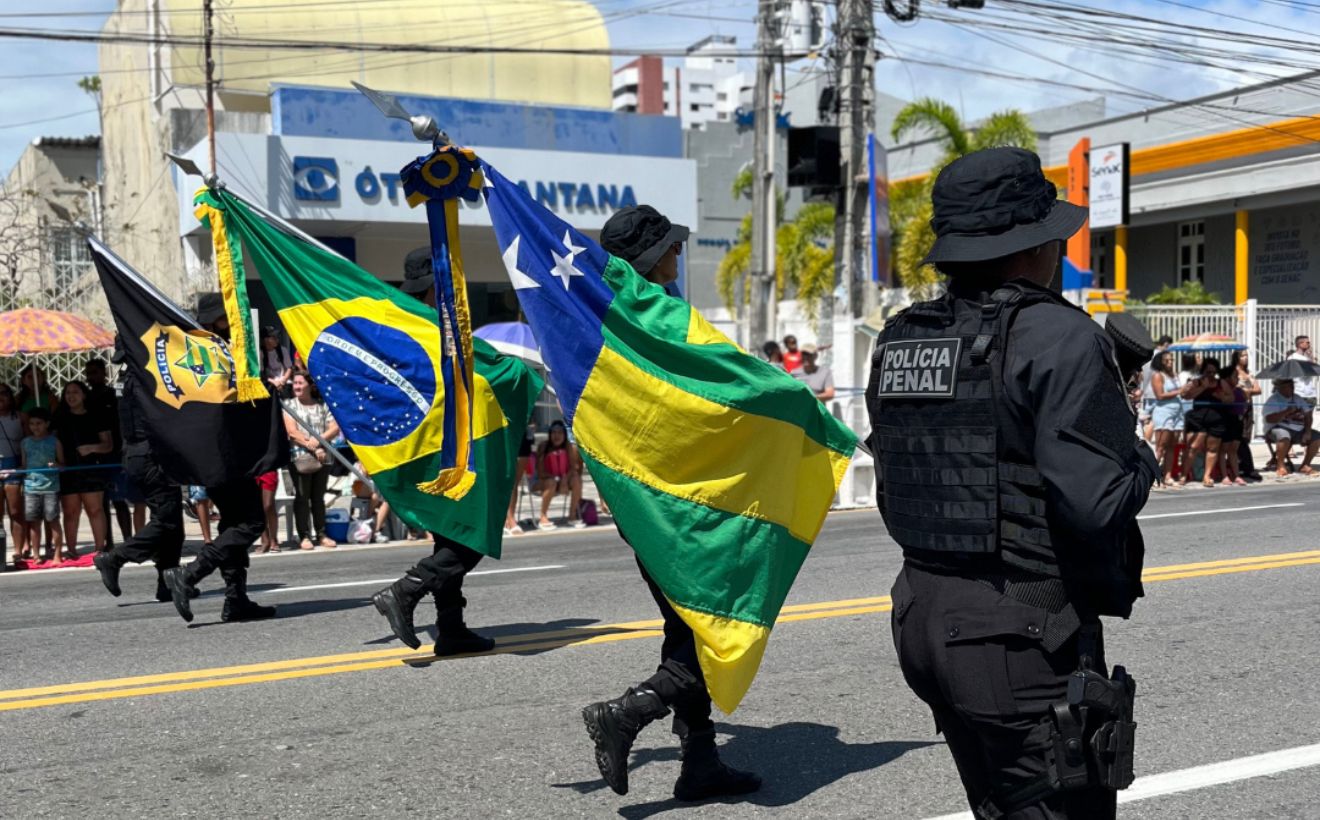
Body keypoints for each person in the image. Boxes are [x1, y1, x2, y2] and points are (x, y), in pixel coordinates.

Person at [869, 147, 1157, 819]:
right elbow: (1097, 504)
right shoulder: (1059, 337)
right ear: (1034, 246)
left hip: (924, 619)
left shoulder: (903, 337)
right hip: (1020, 637)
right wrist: (1139, 452)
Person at [582, 203, 761, 802]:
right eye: (671, 247)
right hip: (683, 505)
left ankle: (701, 761)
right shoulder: (662, 315)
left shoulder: (606, 319)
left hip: (643, 502)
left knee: (685, 621)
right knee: (706, 622)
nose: (679, 255)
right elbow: (731, 381)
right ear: (652, 257)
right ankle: (631, 711)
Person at [369, 248, 500, 658]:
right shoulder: (433, 326)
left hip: (418, 447)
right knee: (470, 534)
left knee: (450, 534)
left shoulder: (395, 324)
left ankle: (451, 627)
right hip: (443, 448)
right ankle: (406, 590)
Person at [160, 293, 276, 623]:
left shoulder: (200, 352)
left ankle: (235, 598)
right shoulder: (215, 354)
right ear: (215, 321)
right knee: (252, 522)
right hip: (226, 453)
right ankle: (190, 574)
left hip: (215, 455)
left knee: (232, 524)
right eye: (227, 318)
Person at [92, 345, 191, 602]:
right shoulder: (142, 378)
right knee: (166, 521)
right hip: (151, 455)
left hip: (137, 454)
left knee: (172, 524)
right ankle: (115, 558)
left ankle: (166, 582)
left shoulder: (124, 378)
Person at [54, 380, 113, 555]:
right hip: (68, 469)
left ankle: (99, 548)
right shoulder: (60, 417)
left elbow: (108, 445)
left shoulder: (96, 416)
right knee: (70, 512)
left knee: (95, 509)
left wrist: (91, 448)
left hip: (92, 468)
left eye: (75, 392)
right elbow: (52, 443)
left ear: (84, 395)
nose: (71, 396)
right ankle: (71, 549)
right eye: (67, 393)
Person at [283, 371, 339, 551]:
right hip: (300, 458)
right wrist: (313, 446)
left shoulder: (322, 406)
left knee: (318, 498)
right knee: (302, 497)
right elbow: (292, 432)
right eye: (295, 384)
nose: (297, 387)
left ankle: (321, 534)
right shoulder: (289, 405)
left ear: (310, 385)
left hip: (324, 458)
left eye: (300, 383)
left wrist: (319, 440)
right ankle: (304, 535)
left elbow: (335, 428)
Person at [20, 408, 66, 563]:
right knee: (34, 523)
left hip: (51, 488)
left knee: (53, 521)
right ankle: (36, 554)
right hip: (31, 488)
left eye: (39, 423)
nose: (35, 427)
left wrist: (56, 465)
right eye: (32, 424)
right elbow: (24, 465)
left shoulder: (54, 441)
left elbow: (63, 465)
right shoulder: (25, 442)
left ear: (47, 424)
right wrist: (11, 472)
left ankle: (58, 554)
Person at [1180, 357, 1229, 487]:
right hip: (1198, 419)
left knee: (1212, 448)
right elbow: (1186, 396)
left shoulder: (1221, 383)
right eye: (1208, 372)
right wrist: (1203, 387)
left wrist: (1222, 397)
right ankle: (1184, 475)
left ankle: (1207, 476)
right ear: (1203, 372)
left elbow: (1231, 398)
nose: (1211, 375)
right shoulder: (1197, 382)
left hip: (1216, 418)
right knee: (1193, 447)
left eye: (1213, 372)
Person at [535, 419, 584, 531]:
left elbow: (573, 468)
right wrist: (558, 479)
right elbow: (540, 472)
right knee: (551, 483)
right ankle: (543, 517)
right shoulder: (543, 447)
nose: (557, 436)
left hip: (561, 480)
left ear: (564, 434)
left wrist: (565, 479)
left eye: (560, 433)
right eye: (554, 432)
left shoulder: (569, 447)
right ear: (550, 434)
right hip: (543, 482)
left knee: (576, 480)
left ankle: (572, 515)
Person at [1262, 378, 1317, 477]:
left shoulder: (1297, 398)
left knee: (1316, 437)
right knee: (1283, 435)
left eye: (1291, 386)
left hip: (1298, 429)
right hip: (1277, 427)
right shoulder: (1274, 400)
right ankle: (1280, 465)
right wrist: (1286, 411)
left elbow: (1308, 415)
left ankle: (1305, 465)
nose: (1290, 388)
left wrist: (1307, 431)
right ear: (1280, 388)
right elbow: (1269, 419)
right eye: (1287, 386)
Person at [1149, 351, 1184, 488]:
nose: (1170, 363)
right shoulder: (1158, 375)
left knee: (1172, 447)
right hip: (1164, 413)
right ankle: (1152, 475)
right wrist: (1179, 391)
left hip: (1177, 412)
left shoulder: (1174, 375)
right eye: (1167, 360)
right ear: (1161, 362)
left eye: (1171, 360)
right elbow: (1160, 395)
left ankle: (1167, 475)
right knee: (1161, 447)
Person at [0, 383, 26, 562]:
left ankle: (18, 551)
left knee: (16, 511)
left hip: (14, 463)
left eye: (3, 393)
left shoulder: (21, 417)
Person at [1232, 350, 1263, 481]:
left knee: (1246, 436)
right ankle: (1246, 467)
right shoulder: (1233, 372)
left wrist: (1247, 391)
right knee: (1239, 438)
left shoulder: (1249, 373)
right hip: (1237, 407)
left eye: (1246, 356)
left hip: (1248, 407)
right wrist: (1244, 391)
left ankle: (1243, 465)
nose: (1245, 358)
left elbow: (1258, 389)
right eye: (1242, 356)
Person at [1138, 335, 1173, 441]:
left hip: (1149, 392)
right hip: (1153, 393)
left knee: (1149, 421)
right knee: (1151, 421)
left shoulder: (1153, 354)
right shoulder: (1158, 356)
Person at [1217, 367, 1247, 486]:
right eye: (1235, 376)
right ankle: (1224, 475)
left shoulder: (1239, 390)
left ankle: (1236, 475)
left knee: (1233, 449)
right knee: (1223, 449)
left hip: (1237, 421)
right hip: (1227, 420)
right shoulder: (1223, 391)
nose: (1237, 378)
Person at [505, 423, 535, 536]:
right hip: (501, 422)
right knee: (505, 479)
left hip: (522, 424)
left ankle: (510, 518)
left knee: (513, 481)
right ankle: (507, 519)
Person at [261, 325, 294, 396]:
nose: (277, 339)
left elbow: (289, 368)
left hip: (284, 381)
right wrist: (274, 382)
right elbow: (262, 374)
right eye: (273, 337)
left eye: (277, 337)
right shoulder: (261, 353)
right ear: (266, 340)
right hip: (270, 382)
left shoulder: (283, 350)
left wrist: (283, 380)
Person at [1289, 335, 1316, 410]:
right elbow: (1305, 374)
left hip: (1310, 393)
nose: (1309, 344)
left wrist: (1310, 356)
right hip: (1299, 393)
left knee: (1309, 419)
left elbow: (1313, 371)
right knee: (1299, 417)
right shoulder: (1293, 358)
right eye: (1307, 342)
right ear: (1300, 344)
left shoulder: (1306, 358)